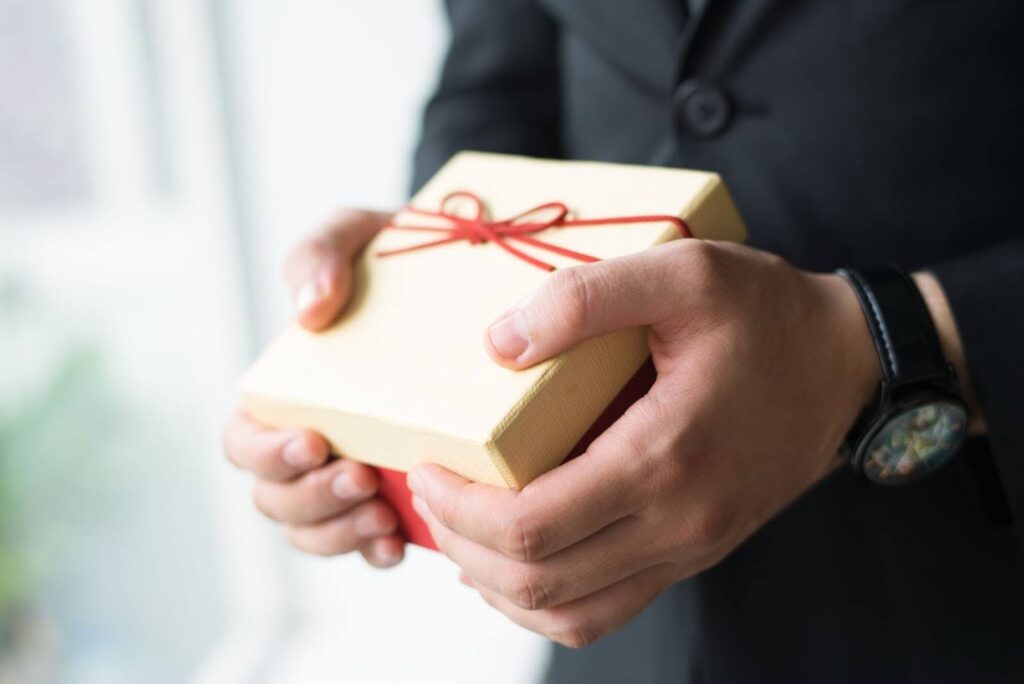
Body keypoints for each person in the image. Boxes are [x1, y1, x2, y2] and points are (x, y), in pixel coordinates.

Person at [223, 1, 1024, 681]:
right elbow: (496, 90)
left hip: (963, 594)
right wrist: (419, 312)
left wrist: (885, 344)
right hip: (625, 640)